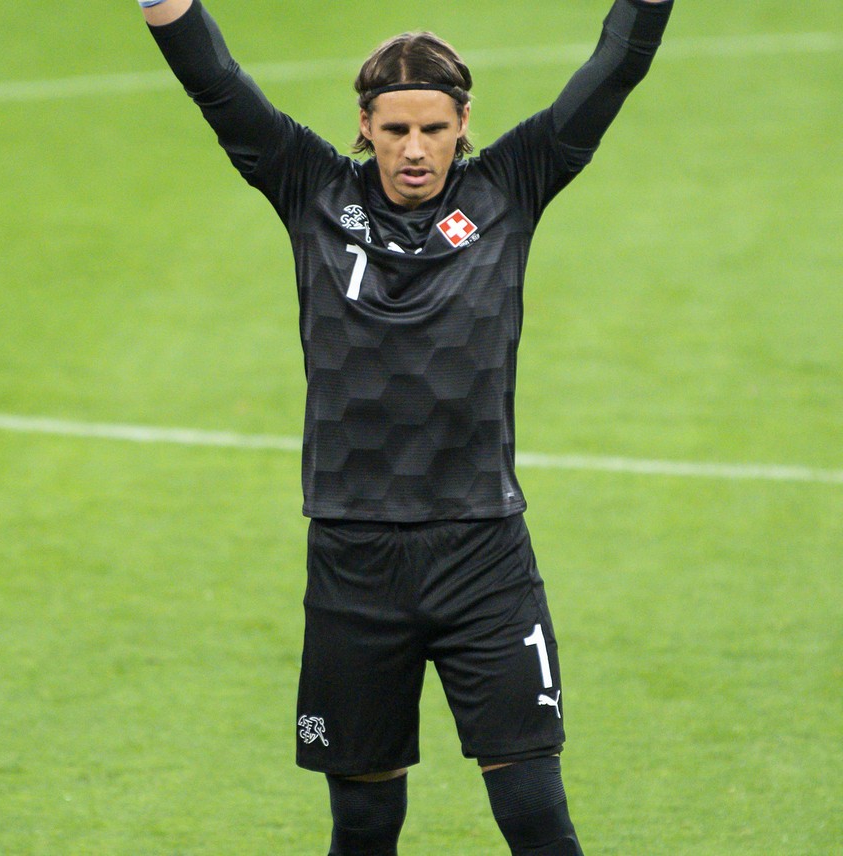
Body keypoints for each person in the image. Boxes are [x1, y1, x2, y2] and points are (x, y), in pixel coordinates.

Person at [136, 0, 672, 852]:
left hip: (485, 555)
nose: (413, 149)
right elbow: (218, 85)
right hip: (354, 557)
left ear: (465, 123)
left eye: (432, 127)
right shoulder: (309, 186)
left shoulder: (512, 185)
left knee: (536, 812)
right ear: (364, 125)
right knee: (363, 824)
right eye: (393, 129)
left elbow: (613, 69)